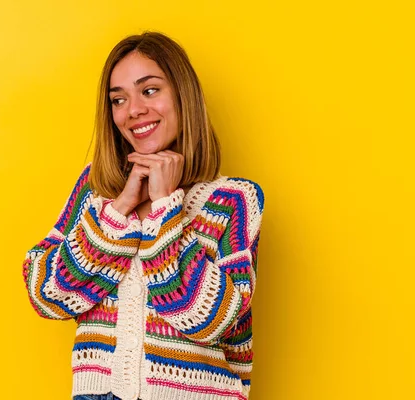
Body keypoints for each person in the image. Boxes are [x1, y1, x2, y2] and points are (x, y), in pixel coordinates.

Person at [22, 31, 265, 400]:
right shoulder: (96, 192)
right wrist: (118, 212)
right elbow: (46, 295)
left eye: (149, 90)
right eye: (118, 99)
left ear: (184, 97)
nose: (133, 109)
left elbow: (211, 321)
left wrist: (166, 208)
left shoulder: (233, 199)